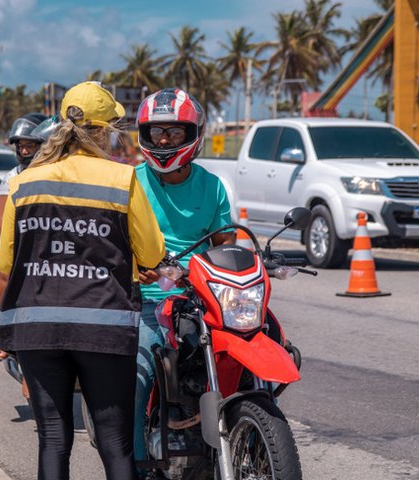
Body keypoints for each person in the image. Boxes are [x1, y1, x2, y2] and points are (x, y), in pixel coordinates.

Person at [0, 81, 166, 480]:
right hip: (102, 326)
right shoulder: (121, 179)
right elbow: (153, 252)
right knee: (114, 442)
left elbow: (5, 262)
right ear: (104, 131)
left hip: (37, 327)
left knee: (53, 439)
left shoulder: (23, 183)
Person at [132, 88, 236, 471]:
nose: (163, 141)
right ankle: (135, 464)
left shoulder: (212, 185)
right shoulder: (131, 182)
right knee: (139, 374)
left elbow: (227, 243)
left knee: (264, 338)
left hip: (203, 295)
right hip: (148, 298)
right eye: (156, 132)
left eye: (174, 132)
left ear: (193, 134)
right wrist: (135, 266)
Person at [0, 112, 48, 232]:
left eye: (30, 145)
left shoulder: (56, 174)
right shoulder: (12, 177)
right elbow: (2, 225)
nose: (24, 151)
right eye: (20, 146)